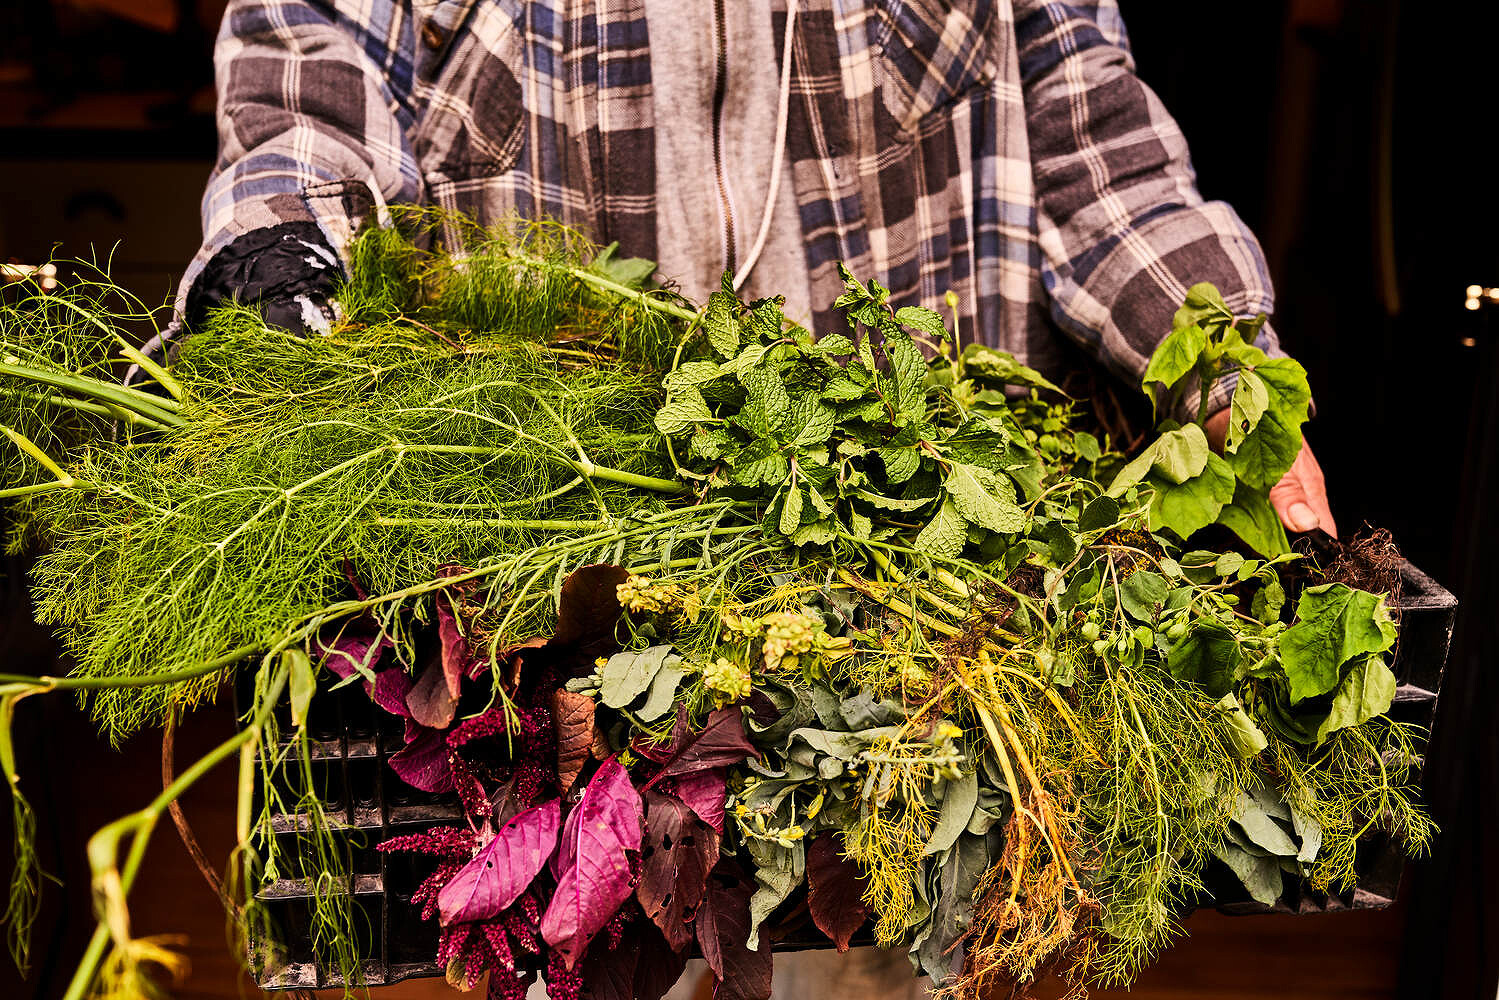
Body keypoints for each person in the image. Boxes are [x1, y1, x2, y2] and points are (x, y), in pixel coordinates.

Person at [169, 1, 1334, 993]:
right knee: (596, 937)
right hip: (566, 616)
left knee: (875, 942)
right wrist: (281, 259)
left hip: (903, 647)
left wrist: (1225, 368)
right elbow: (306, 74)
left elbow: (1096, 149)